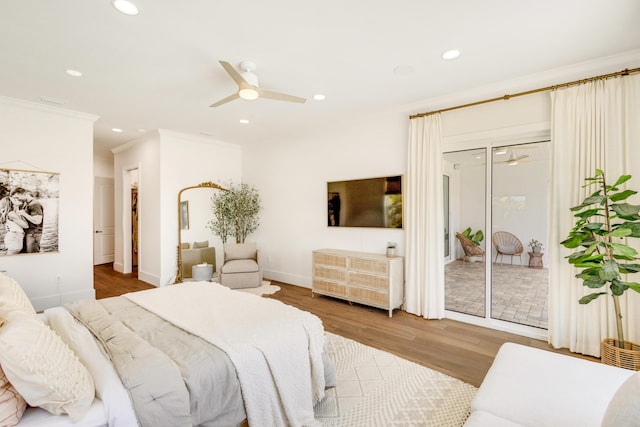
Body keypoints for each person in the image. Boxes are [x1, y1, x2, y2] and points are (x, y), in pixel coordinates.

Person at [10, 187, 44, 253]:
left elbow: (38, 221)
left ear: (24, 194)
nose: (17, 199)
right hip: (29, 233)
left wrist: (24, 214)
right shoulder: (26, 204)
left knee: (32, 256)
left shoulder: (35, 204)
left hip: (34, 234)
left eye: (17, 197)